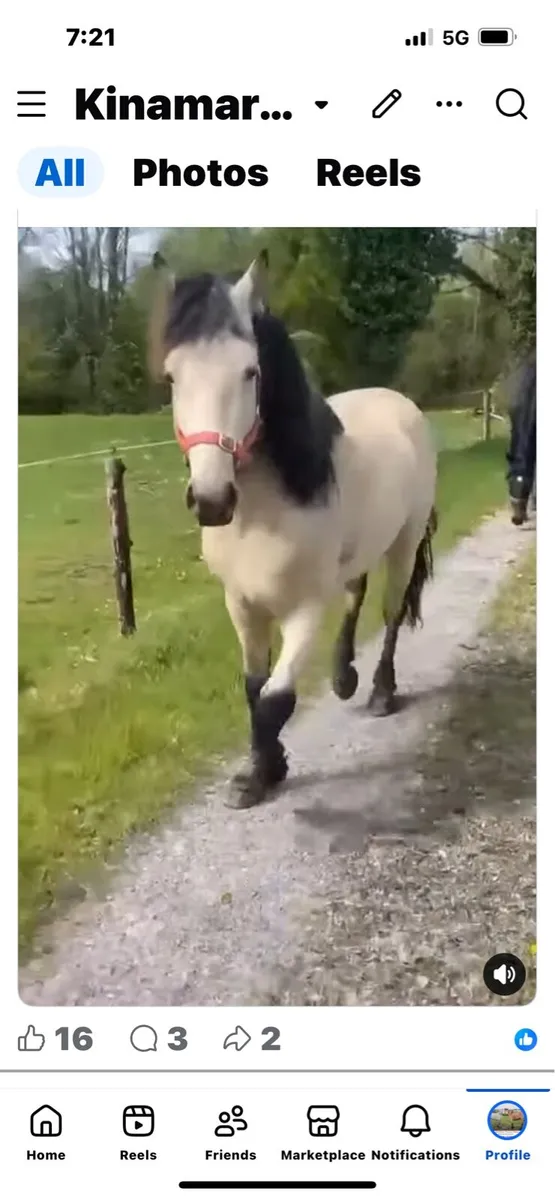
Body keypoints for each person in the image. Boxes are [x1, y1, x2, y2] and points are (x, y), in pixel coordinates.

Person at [506, 347, 536, 525]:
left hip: (522, 410)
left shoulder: (528, 369)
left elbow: (516, 402)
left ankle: (519, 504)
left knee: (521, 453)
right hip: (525, 408)